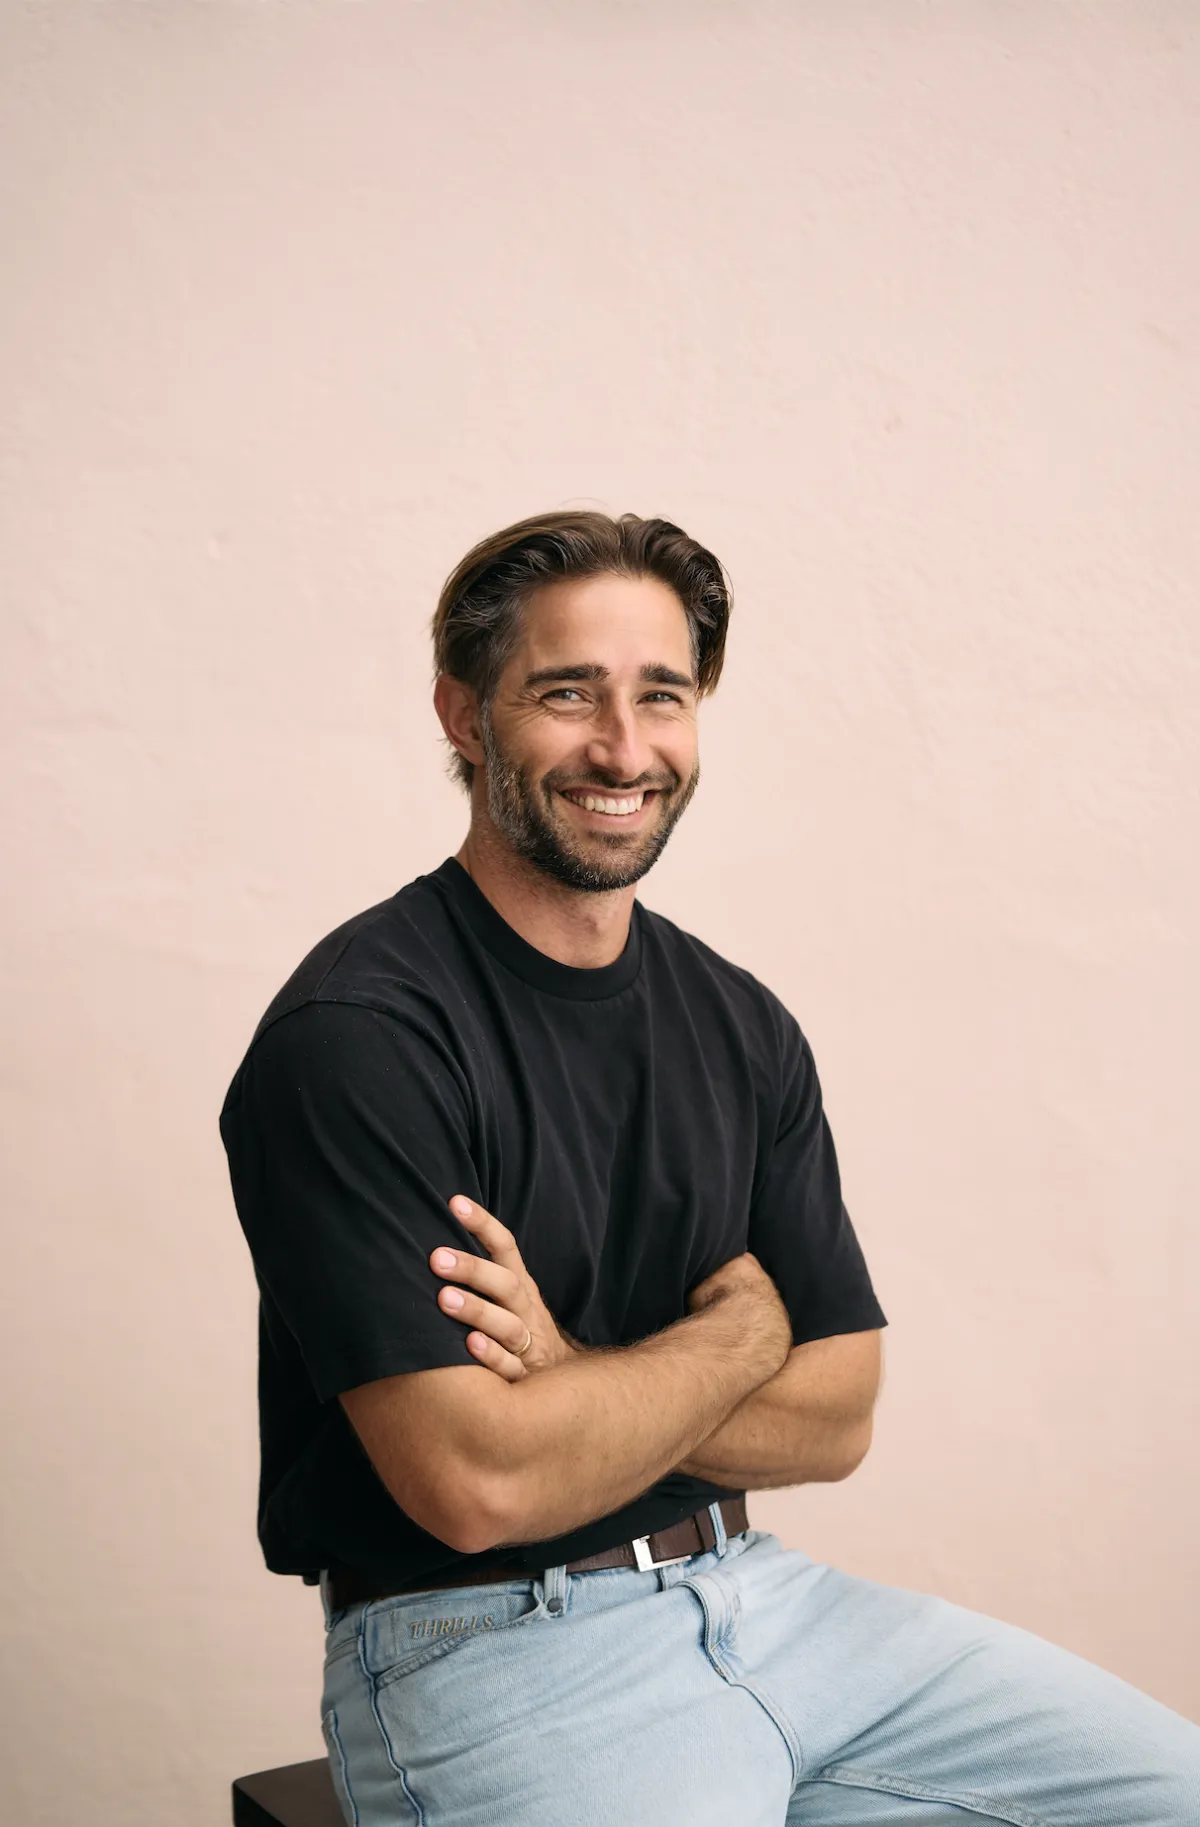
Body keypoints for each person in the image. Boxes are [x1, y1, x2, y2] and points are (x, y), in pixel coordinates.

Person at [220, 510, 1199, 1827]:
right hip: (494, 1648)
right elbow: (478, 1482)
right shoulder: (362, 1037)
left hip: (765, 1598)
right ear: (463, 715)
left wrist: (568, 1378)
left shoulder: (741, 1023)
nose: (624, 749)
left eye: (662, 695)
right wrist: (742, 1334)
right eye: (568, 693)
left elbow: (839, 1416)